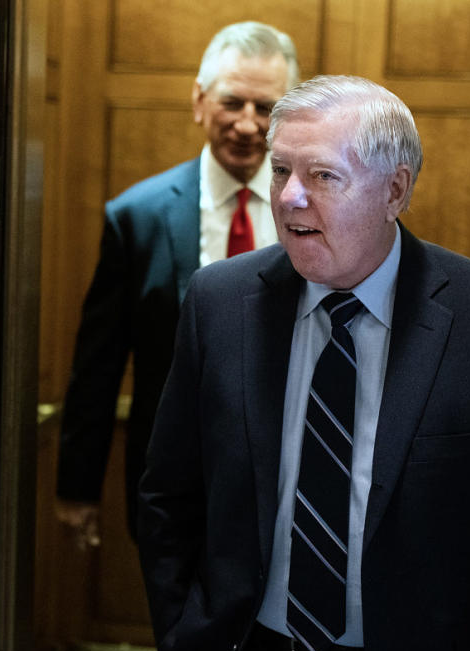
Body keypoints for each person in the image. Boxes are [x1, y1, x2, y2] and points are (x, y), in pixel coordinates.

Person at [137, 75, 470, 651]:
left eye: (322, 176)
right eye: (282, 171)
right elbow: (169, 497)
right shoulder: (218, 304)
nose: (290, 198)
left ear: (395, 189)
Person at [56, 22, 300, 547]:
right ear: (199, 100)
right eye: (232, 102)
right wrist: (78, 488)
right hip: (171, 487)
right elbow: (97, 366)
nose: (247, 124)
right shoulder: (137, 219)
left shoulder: (314, 213)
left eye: (266, 108)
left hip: (293, 480)